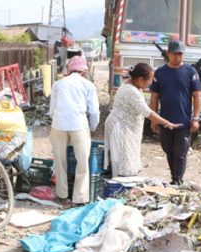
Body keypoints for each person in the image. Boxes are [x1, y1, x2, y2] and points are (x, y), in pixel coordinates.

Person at [104, 63, 182, 177]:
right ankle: (120, 189)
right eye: (150, 79)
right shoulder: (131, 91)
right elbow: (147, 112)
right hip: (121, 129)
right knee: (124, 163)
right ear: (140, 79)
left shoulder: (133, 86)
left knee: (128, 160)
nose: (151, 83)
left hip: (127, 129)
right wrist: (167, 123)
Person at [149, 40, 201, 185]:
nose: (178, 57)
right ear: (168, 54)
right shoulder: (160, 73)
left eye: (180, 54)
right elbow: (154, 97)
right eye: (175, 54)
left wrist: (196, 118)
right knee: (168, 150)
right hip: (165, 121)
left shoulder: (190, 72)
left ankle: (177, 180)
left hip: (184, 122)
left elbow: (197, 95)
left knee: (180, 153)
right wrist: (154, 119)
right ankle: (175, 177)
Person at [49, 56, 100, 205]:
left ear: (69, 70)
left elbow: (52, 110)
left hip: (58, 125)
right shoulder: (88, 85)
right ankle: (79, 198)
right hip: (79, 125)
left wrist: (59, 120)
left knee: (60, 161)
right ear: (83, 71)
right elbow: (95, 112)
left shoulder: (58, 84)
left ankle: (62, 195)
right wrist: (92, 128)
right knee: (82, 163)